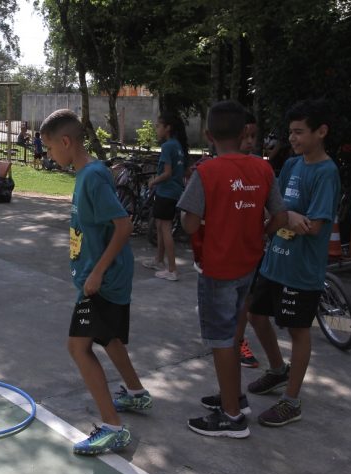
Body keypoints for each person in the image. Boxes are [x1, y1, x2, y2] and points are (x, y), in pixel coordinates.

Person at [40, 109, 151, 456]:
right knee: (107, 336)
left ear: (66, 142)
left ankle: (113, 428)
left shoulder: (91, 177)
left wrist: (98, 272)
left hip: (103, 281)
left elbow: (123, 226)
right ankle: (136, 392)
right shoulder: (87, 174)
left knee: (78, 347)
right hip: (97, 277)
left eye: (48, 147)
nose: (48, 155)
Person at [178, 101, 287, 438]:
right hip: (249, 264)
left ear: (209, 135)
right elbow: (280, 218)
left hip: (217, 269)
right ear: (243, 134)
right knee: (233, 331)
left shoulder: (206, 172)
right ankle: (233, 396)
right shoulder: (263, 170)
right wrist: (258, 233)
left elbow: (190, 224)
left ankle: (232, 416)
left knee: (222, 340)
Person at [246, 99, 340, 427]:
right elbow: (276, 208)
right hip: (274, 262)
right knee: (256, 316)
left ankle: (291, 400)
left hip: (301, 271)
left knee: (298, 331)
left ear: (321, 132)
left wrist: (290, 216)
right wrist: (288, 216)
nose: (294, 138)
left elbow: (313, 226)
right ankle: (277, 371)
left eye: (300, 132)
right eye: (291, 132)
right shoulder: (291, 165)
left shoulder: (326, 172)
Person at [142, 112, 188, 281]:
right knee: (160, 226)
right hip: (172, 192)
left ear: (167, 128)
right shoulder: (177, 145)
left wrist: (153, 181)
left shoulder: (168, 146)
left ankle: (172, 269)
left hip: (167, 192)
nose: (156, 128)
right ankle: (159, 260)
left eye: (159, 125)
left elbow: (167, 173)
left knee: (165, 229)